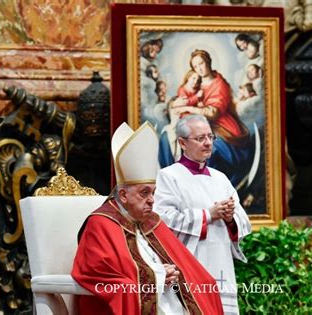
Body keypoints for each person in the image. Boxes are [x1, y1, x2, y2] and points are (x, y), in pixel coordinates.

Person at [72, 122, 223, 315]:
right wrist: (158, 276)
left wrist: (174, 275)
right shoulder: (101, 223)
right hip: (145, 301)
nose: (152, 200)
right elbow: (98, 274)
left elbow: (185, 264)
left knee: (205, 283)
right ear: (124, 195)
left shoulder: (151, 221)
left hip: (170, 297)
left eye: (153, 193)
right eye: (144, 193)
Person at [153, 114, 252, 315]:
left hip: (221, 261)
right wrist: (207, 215)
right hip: (189, 262)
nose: (208, 143)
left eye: (210, 137)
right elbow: (162, 220)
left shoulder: (221, 178)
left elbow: (243, 221)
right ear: (182, 142)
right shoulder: (169, 176)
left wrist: (230, 217)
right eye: (200, 138)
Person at [170, 49, 251, 186]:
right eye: (195, 66)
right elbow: (182, 96)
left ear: (208, 62)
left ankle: (209, 185)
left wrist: (187, 108)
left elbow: (213, 112)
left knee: (210, 150)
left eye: (201, 63)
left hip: (221, 125)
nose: (199, 68)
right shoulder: (195, 81)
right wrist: (174, 103)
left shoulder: (220, 84)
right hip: (198, 124)